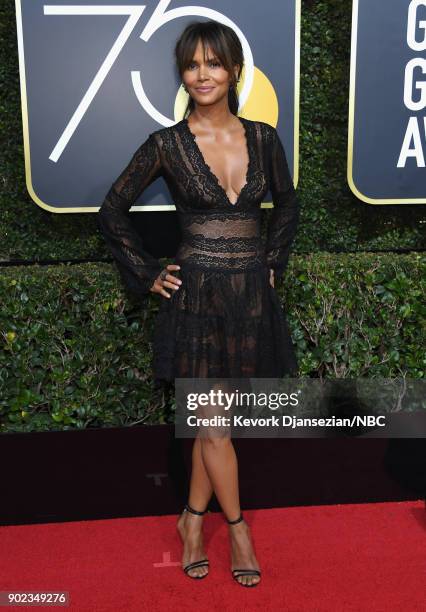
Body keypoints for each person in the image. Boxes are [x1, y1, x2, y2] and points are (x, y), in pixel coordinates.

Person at [97, 20, 300, 587]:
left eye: (213, 63)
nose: (202, 74)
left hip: (250, 301)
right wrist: (147, 273)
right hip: (197, 299)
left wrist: (273, 263)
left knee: (219, 423)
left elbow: (286, 205)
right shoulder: (166, 144)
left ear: (235, 70)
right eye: (192, 65)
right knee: (215, 429)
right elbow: (111, 211)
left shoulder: (263, 137)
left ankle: (190, 521)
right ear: (182, 76)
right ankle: (238, 531)